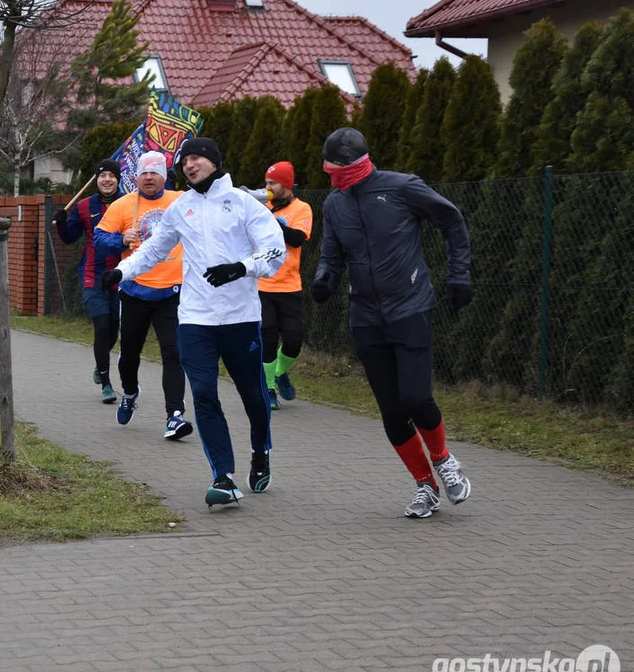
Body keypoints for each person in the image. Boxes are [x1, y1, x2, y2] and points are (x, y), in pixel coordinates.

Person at [103, 138, 286, 506]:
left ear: (215, 161)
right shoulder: (180, 207)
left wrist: (242, 267)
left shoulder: (243, 203)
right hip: (195, 319)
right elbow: (154, 249)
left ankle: (260, 450)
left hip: (240, 318)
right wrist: (122, 272)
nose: (189, 165)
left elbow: (275, 249)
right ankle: (223, 476)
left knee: (253, 396)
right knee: (203, 393)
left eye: (197, 157)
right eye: (184, 160)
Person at [311, 127, 473, 519]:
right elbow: (331, 254)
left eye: (335, 169)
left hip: (410, 307)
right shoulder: (334, 204)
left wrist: (459, 275)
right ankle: (425, 486)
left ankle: (444, 460)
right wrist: (323, 280)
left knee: (417, 398)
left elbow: (452, 222)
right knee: (392, 411)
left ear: (353, 165)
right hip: (366, 317)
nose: (331, 176)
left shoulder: (402, 188)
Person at [93, 151, 193, 441]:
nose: (149, 177)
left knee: (174, 353)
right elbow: (99, 239)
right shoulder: (123, 205)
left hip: (172, 292)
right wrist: (120, 239)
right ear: (136, 176)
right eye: (144, 173)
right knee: (129, 357)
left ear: (164, 175)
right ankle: (131, 392)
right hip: (134, 291)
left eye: (155, 172)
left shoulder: (180, 201)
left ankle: (175, 415)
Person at [242, 162, 312, 410]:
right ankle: (268, 387)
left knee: (294, 340)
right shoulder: (261, 207)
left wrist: (274, 222)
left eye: (272, 183)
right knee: (267, 339)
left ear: (286, 184)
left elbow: (297, 238)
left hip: (290, 287)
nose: (267, 187)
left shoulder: (301, 208)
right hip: (262, 285)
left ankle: (280, 372)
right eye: (266, 183)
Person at [53, 159, 123, 404]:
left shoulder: (129, 203)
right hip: (93, 275)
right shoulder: (84, 206)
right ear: (96, 179)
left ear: (118, 179)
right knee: (102, 326)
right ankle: (106, 383)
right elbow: (70, 237)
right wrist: (62, 222)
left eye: (111, 176)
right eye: (102, 175)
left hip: (122, 275)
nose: (107, 180)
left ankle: (99, 362)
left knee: (113, 329)